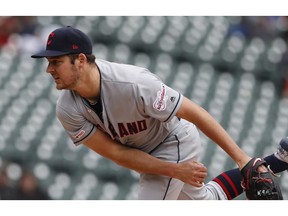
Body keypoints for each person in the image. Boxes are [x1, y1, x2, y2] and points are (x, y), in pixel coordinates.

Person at [31, 26, 288, 200]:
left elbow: (194, 112)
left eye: (56, 62)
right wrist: (173, 171)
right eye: (49, 62)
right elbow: (118, 154)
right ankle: (279, 159)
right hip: (149, 157)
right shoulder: (67, 108)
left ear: (81, 60)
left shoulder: (133, 83)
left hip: (173, 141)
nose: (49, 69)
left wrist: (242, 160)